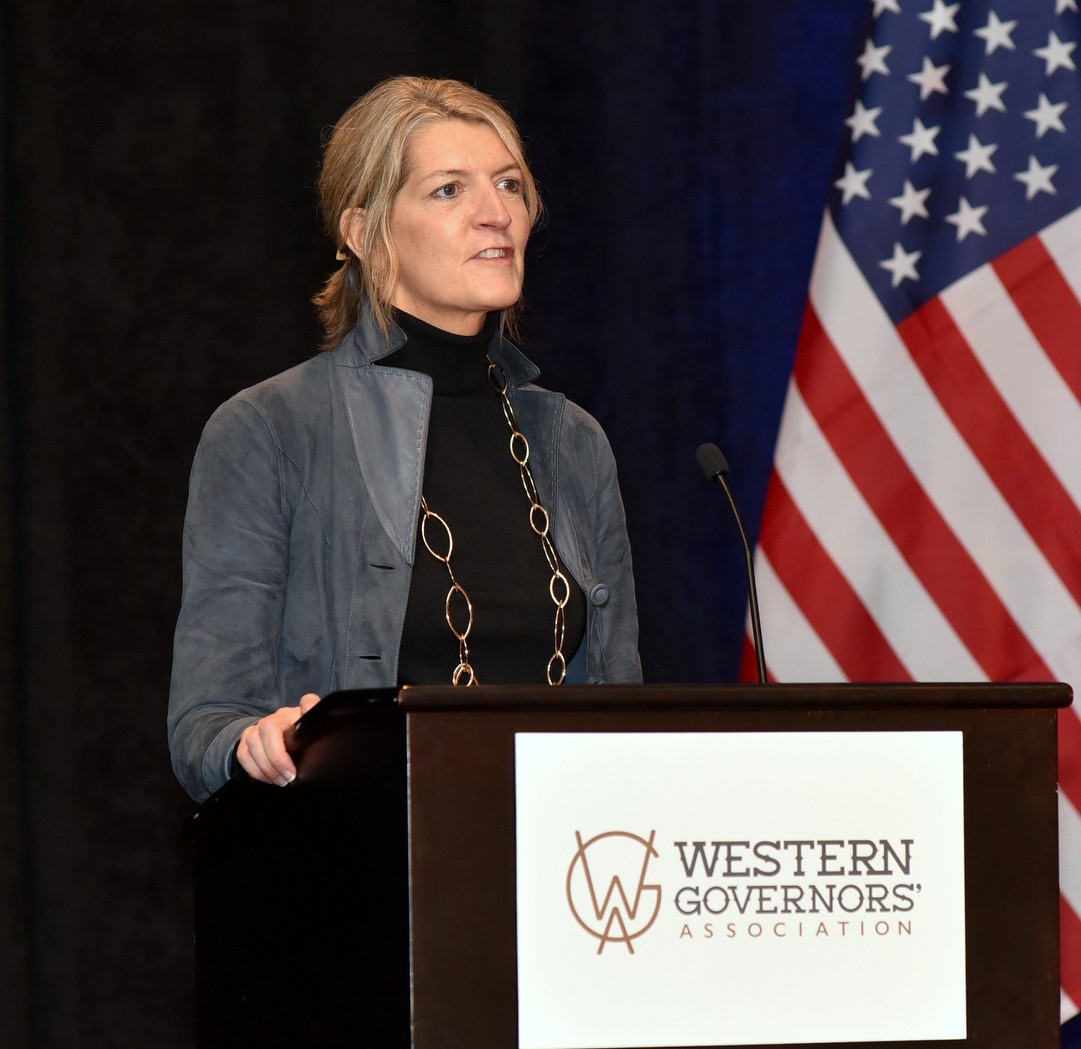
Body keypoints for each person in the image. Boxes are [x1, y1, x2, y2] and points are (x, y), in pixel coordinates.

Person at [168, 76, 641, 802]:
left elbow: (625, 710)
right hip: (361, 841)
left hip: (563, 848)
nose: (495, 214)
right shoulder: (270, 429)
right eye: (448, 190)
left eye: (509, 185)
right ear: (364, 233)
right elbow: (204, 724)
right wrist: (254, 741)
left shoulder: (572, 440)